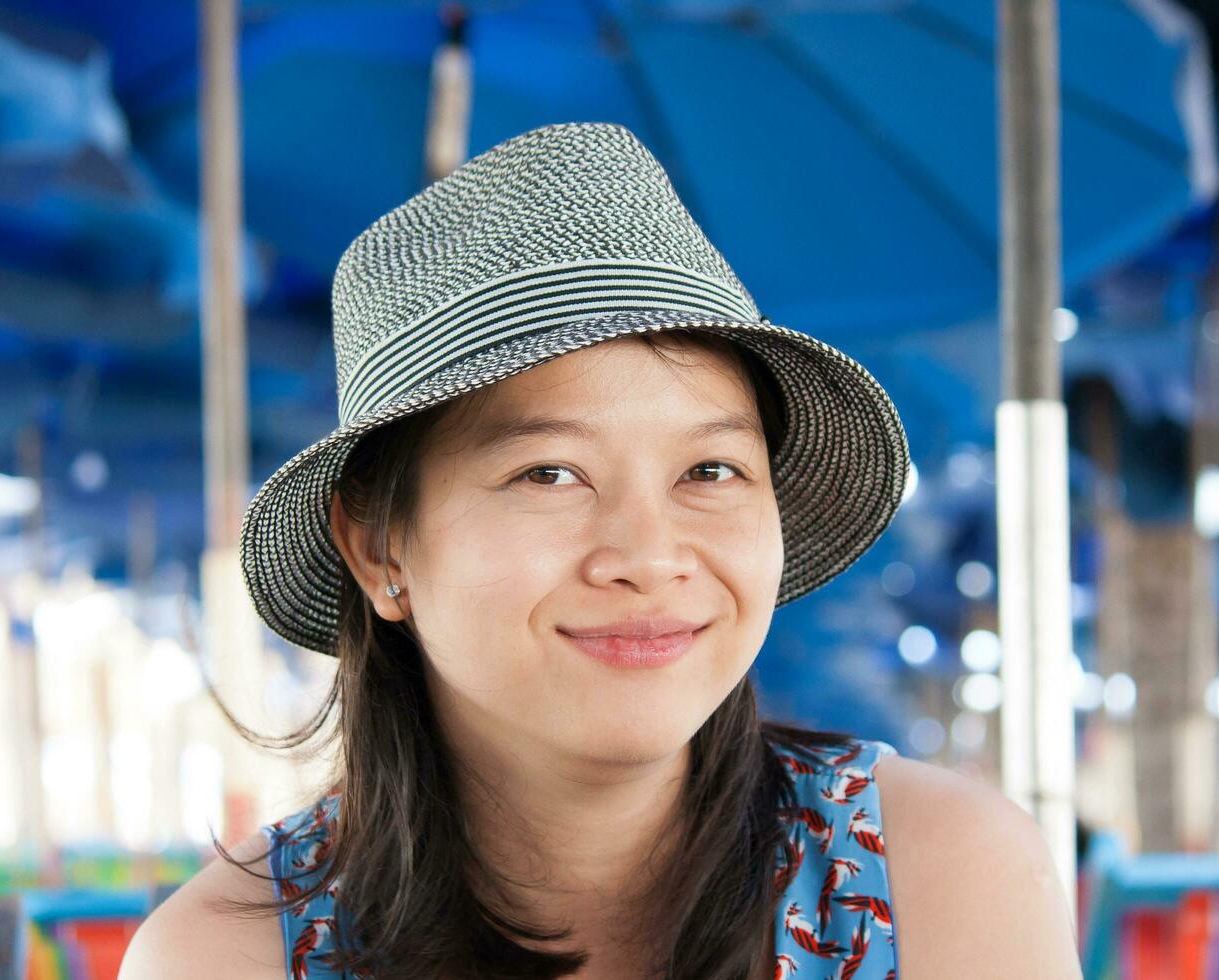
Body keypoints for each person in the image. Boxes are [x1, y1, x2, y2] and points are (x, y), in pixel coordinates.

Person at [121, 123, 1081, 980]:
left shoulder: (940, 876)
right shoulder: (230, 957)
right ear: (379, 549)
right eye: (550, 473)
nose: (649, 556)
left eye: (709, 470)